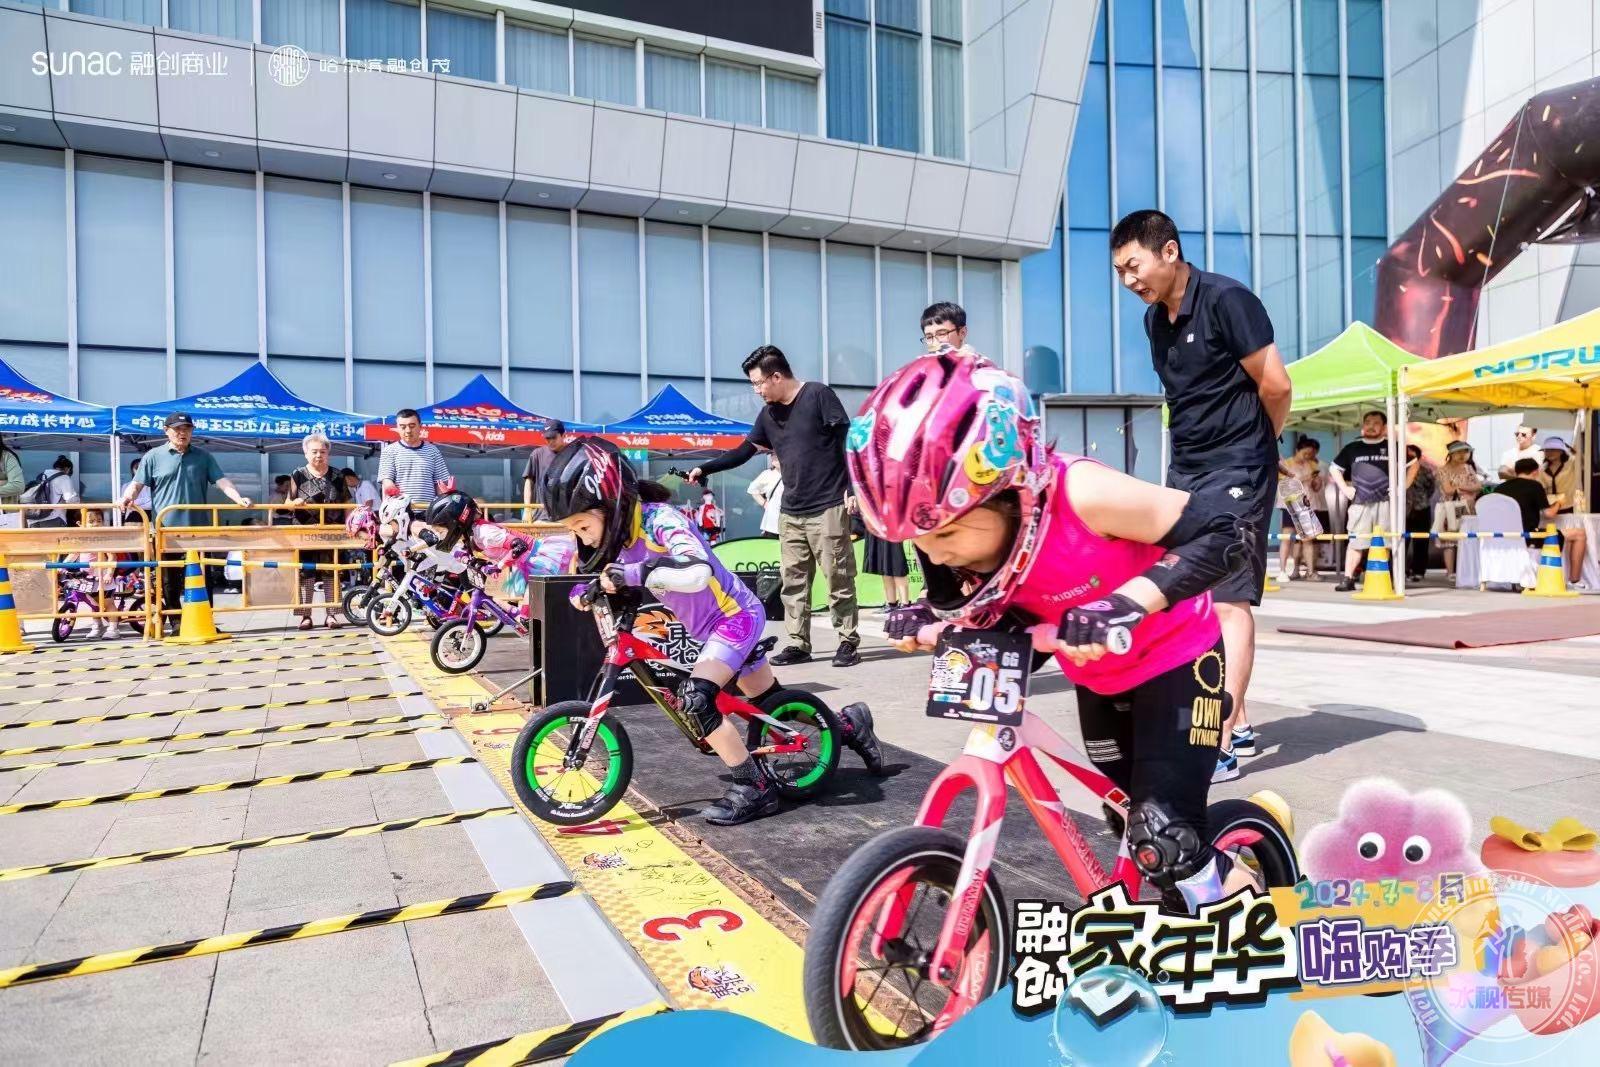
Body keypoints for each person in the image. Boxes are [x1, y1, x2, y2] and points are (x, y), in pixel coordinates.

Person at [854, 352, 1257, 916]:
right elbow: (998, 615)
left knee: (1165, 840)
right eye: (918, 540)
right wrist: (933, 620)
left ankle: (1262, 921)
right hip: (1100, 677)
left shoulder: (1083, 493)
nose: (935, 555)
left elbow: (1224, 533)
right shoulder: (964, 542)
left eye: (947, 534)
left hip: (1179, 663)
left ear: (1010, 493)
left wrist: (1126, 604)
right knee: (1126, 812)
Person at [541, 439, 884, 825]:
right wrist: (589, 589)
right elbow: (614, 576)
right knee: (772, 704)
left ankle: (754, 788)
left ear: (612, 505)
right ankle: (850, 724)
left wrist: (635, 573)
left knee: (698, 699)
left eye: (583, 526)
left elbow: (696, 572)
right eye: (574, 530)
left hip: (734, 617)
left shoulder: (660, 521)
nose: (584, 537)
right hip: (709, 629)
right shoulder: (622, 538)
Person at [1112, 209, 1291, 784]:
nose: (1128, 281)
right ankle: (1229, 716)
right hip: (1186, 470)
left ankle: (1223, 737)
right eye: (1119, 272)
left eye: (1133, 266)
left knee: (1229, 601)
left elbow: (1276, 385)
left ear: (1169, 251)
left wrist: (1261, 446)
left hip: (1238, 464)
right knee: (1189, 596)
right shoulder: (1154, 320)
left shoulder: (1227, 300)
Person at [689, 346, 861, 668]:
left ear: (777, 376)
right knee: (793, 582)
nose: (756, 390)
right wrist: (706, 468)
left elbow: (848, 443)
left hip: (828, 506)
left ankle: (847, 641)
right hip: (790, 511)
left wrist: (852, 487)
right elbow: (743, 451)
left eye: (758, 383)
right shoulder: (768, 415)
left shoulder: (818, 395)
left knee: (838, 578)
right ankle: (798, 643)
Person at [118, 412, 252, 636]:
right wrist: (127, 497)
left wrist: (238, 498)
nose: (183, 433)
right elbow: (137, 484)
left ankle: (205, 620)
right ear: (166, 431)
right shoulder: (153, 456)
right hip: (166, 529)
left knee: (203, 576)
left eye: (187, 429)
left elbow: (221, 480)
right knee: (169, 578)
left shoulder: (203, 456)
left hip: (198, 529)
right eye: (178, 429)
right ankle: (176, 622)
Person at [287, 433, 351, 630]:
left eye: (322, 452)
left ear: (328, 454)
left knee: (332, 572)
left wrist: (349, 527)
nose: (318, 456)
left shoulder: (338, 475)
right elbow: (287, 502)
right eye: (314, 452)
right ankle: (305, 616)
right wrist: (295, 503)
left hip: (332, 532)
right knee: (305, 573)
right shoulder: (298, 474)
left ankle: (331, 615)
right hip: (304, 532)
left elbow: (347, 503)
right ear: (306, 453)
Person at [1329, 411, 1393, 592]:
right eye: (1368, 422)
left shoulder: (1393, 446)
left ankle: (1382, 577)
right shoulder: (1352, 447)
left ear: (1384, 427)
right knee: (1355, 542)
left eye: (1376, 422)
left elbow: (1413, 464)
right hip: (1359, 502)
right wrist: (1345, 489)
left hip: (1385, 502)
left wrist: (1401, 486)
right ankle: (1348, 578)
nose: (1371, 426)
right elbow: (1334, 469)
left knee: (1385, 542)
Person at [379, 408, 452, 506]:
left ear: (420, 427)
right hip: (399, 510)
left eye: (412, 426)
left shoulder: (433, 451)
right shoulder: (389, 451)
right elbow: (386, 480)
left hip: (428, 509)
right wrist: (391, 490)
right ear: (397, 428)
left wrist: (443, 505)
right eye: (403, 427)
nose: (408, 430)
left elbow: (440, 484)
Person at [1277, 437, 1325, 582]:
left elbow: (1316, 488)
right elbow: (1286, 482)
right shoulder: (1286, 464)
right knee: (1287, 538)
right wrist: (1305, 477)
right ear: (1297, 450)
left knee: (1307, 540)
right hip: (1289, 504)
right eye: (1305, 453)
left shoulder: (1312, 465)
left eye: (1310, 454)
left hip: (1307, 505)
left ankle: (1310, 572)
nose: (1308, 456)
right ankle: (1282, 571)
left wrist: (1317, 481)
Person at [1434, 440, 1483, 583]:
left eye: (1465, 452)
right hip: (1450, 506)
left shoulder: (1468, 468)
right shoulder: (1443, 470)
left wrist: (1459, 487)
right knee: (1449, 541)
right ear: (1451, 454)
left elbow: (1478, 486)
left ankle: (1468, 569)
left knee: (1468, 538)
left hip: (1468, 507)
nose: (1462, 455)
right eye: (1459, 452)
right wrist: (1465, 487)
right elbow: (1448, 490)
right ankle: (1450, 572)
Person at [1541, 436, 1588, 584]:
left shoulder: (1571, 463)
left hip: (1568, 508)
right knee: (1554, 542)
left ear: (1561, 451)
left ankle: (1573, 578)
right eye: (1547, 450)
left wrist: (1575, 451)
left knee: (1572, 539)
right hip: (1550, 510)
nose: (1549, 452)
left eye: (1553, 449)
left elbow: (1585, 463)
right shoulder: (1542, 469)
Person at [1494, 458, 1558, 539]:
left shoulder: (1499, 488)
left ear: (1516, 472)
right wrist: (1559, 503)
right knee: (1571, 534)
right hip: (1527, 535)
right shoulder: (1535, 485)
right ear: (1535, 472)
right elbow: (1549, 514)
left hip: (1501, 535)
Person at [521, 419, 574, 519]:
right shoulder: (537, 454)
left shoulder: (573, 455)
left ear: (563, 435)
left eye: (554, 437)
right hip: (542, 517)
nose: (551, 441)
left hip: (567, 518)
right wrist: (527, 510)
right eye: (547, 438)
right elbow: (528, 482)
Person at [1402, 445, 1437, 583]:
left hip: (1422, 508)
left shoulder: (1425, 470)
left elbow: (1431, 488)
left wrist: (1422, 499)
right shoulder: (1397, 469)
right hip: (1402, 510)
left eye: (1411, 455)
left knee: (1421, 542)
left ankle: (1418, 571)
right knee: (1401, 541)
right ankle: (1401, 570)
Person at [26, 455, 79, 528]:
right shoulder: (64, 477)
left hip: (33, 519)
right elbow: (71, 500)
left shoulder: (41, 476)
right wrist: (78, 499)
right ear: (68, 469)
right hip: (53, 519)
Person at [863, 532, 911, 611]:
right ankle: (891, 603)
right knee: (884, 564)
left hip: (892, 528)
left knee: (897, 562)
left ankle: (905, 604)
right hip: (877, 528)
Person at [747, 455, 783, 539]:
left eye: (776, 454)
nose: (773, 457)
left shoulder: (795, 473)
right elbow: (752, 489)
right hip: (772, 522)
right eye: (772, 454)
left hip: (792, 523)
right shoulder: (768, 474)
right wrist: (764, 503)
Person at [120, 457, 152, 523]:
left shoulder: (152, 485)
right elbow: (126, 504)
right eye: (137, 468)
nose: (140, 471)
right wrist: (146, 500)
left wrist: (135, 503)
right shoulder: (126, 486)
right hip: (133, 517)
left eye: (142, 468)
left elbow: (152, 504)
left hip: (151, 516)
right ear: (132, 470)